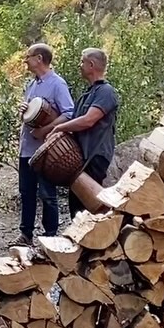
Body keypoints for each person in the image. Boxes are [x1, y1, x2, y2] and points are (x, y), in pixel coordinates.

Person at [47, 47, 119, 216]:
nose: (80, 65)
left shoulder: (106, 92)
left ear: (91, 64)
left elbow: (88, 120)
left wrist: (60, 128)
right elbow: (73, 119)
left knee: (89, 208)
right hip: (82, 158)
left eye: (82, 62)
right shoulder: (88, 93)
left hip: (94, 157)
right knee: (76, 206)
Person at [17, 43, 74, 245]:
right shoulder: (31, 85)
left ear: (39, 58)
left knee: (47, 194)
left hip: (46, 151)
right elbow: (29, 116)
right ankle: (26, 234)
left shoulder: (58, 84)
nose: (26, 60)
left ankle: (50, 236)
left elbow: (69, 112)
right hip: (27, 149)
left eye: (28, 56)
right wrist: (23, 111)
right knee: (26, 193)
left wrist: (45, 130)